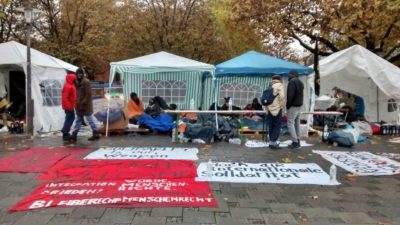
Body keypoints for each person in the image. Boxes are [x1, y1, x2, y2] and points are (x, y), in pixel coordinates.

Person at [70, 68, 100, 142]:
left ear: (83, 74)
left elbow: (88, 94)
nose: (79, 75)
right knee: (78, 120)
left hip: (86, 105)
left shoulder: (86, 82)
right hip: (79, 104)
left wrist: (84, 102)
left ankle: (95, 133)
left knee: (89, 120)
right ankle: (74, 134)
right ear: (76, 75)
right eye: (78, 74)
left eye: (80, 74)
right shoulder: (76, 82)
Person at [264, 75, 285, 149]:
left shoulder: (270, 85)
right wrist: (281, 105)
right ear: (279, 79)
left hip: (269, 109)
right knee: (277, 125)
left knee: (271, 125)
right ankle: (273, 143)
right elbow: (282, 96)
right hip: (276, 109)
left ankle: (271, 142)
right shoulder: (279, 85)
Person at [286, 70, 304, 149]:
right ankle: (298, 140)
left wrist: (288, 105)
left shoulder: (292, 82)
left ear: (292, 75)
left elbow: (290, 95)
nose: (288, 76)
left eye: (289, 74)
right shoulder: (300, 82)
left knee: (290, 123)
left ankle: (295, 142)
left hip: (293, 105)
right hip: (299, 105)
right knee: (297, 123)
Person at [61, 73, 77, 141]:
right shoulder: (68, 86)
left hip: (70, 105)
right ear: (71, 79)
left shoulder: (70, 85)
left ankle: (65, 132)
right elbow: (65, 98)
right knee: (70, 118)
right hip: (69, 106)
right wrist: (68, 106)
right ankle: (65, 132)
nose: (75, 80)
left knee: (69, 118)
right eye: (74, 79)